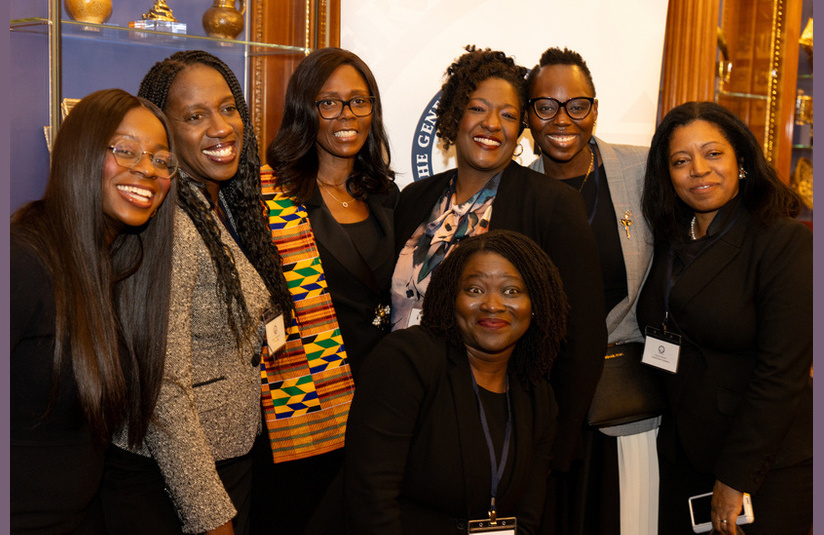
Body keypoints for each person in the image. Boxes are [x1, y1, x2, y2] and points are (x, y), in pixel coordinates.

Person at [392, 45, 606, 485]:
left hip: (496, 426)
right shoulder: (415, 198)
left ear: (521, 129)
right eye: (478, 109)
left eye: (508, 115)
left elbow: (583, 339)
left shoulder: (552, 206)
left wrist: (553, 453)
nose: (492, 125)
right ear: (454, 116)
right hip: (404, 411)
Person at [101, 50, 293, 535]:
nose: (221, 127)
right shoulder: (170, 225)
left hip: (223, 459)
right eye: (194, 116)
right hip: (172, 479)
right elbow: (163, 390)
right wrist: (212, 518)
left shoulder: (222, 200)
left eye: (228, 108)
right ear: (162, 133)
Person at [636, 101, 812, 534]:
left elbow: (781, 374)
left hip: (759, 466)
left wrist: (736, 477)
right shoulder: (669, 238)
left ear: (742, 161)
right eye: (681, 161)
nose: (698, 169)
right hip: (681, 455)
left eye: (713, 154)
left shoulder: (782, 241)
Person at [11, 88, 177, 533]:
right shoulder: (22, 261)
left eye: (161, 160)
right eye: (125, 150)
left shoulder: (118, 266)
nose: (146, 168)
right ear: (80, 153)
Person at [251, 47, 399, 534]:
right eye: (329, 103)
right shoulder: (268, 196)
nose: (345, 116)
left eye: (358, 102)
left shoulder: (386, 194)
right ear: (304, 110)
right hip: (305, 417)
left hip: (382, 412)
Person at [346, 230, 567, 534]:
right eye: (474, 290)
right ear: (451, 297)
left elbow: (526, 519)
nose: (492, 305)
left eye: (511, 291)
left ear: (536, 304)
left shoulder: (537, 396)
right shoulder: (407, 361)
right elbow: (371, 500)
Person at [526, 47, 658, 535]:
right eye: (546, 106)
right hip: (546, 402)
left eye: (576, 105)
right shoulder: (517, 191)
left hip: (622, 402)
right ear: (527, 116)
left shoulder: (644, 172)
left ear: (595, 109)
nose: (562, 119)